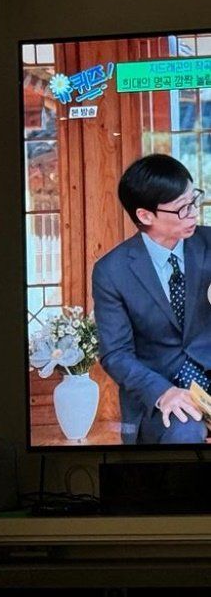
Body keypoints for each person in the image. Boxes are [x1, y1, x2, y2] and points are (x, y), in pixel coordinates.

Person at [92, 154, 211, 444]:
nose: (194, 213)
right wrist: (163, 392)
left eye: (194, 200)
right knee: (185, 431)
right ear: (145, 216)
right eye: (182, 208)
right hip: (161, 392)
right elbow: (115, 353)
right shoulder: (112, 271)